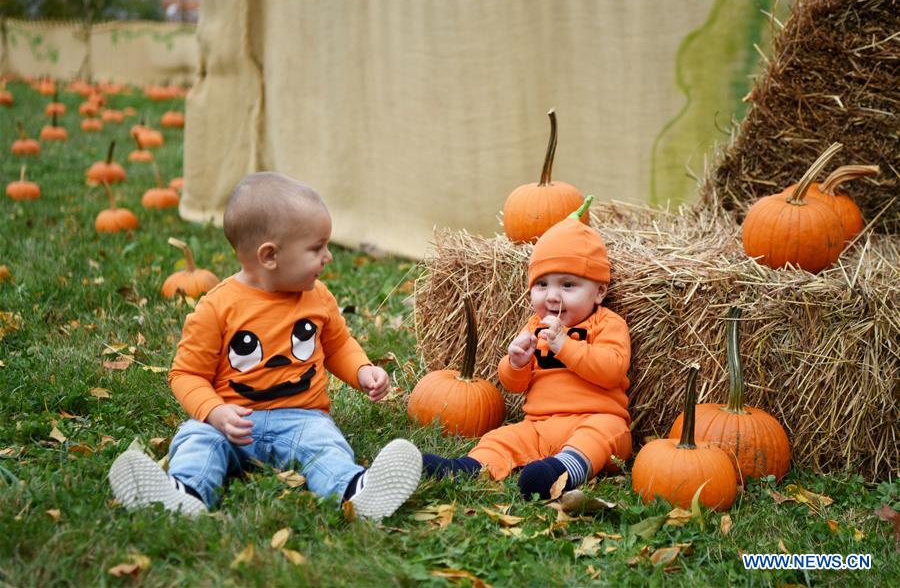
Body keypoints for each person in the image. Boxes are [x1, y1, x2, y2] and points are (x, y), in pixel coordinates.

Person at [108, 172, 422, 519]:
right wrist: (214, 412)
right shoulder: (216, 308)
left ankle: (353, 491)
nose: (328, 256)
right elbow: (186, 374)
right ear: (270, 256)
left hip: (302, 419)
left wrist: (362, 371)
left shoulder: (317, 298)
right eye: (317, 248)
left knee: (324, 444)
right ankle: (185, 494)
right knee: (198, 439)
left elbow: (338, 346)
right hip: (232, 420)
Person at [423, 200, 632, 499]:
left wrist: (565, 346)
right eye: (542, 285)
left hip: (595, 418)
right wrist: (516, 362)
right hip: (539, 425)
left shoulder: (607, 323)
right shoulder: (535, 326)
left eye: (568, 285)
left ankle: (565, 469)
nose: (552, 296)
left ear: (599, 292)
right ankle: (468, 467)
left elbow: (611, 370)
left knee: (601, 435)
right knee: (503, 436)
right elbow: (515, 385)